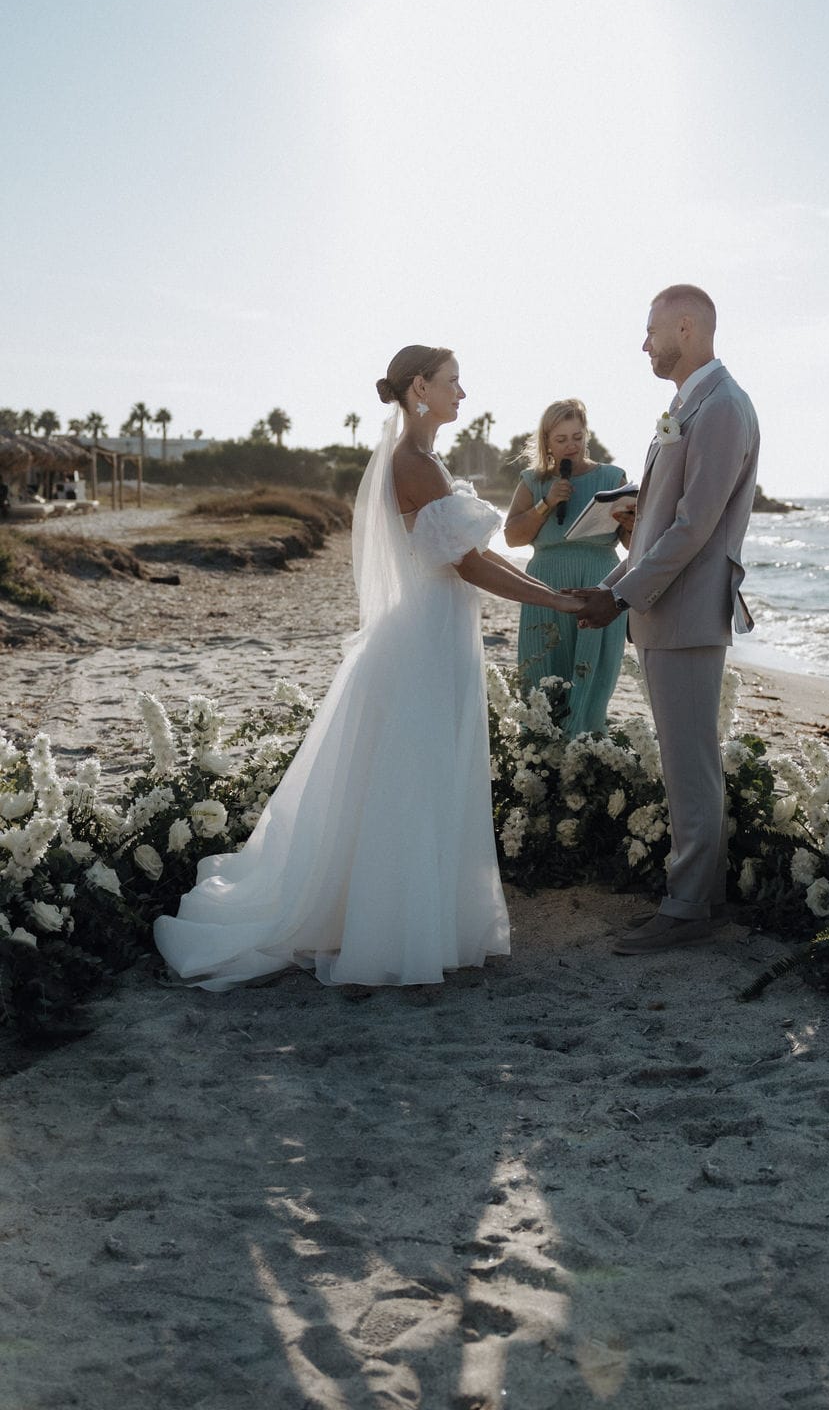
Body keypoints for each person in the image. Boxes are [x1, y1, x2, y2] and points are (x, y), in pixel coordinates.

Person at [154, 345, 585, 990]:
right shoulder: (413, 464)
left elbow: (472, 556)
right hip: (427, 635)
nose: (462, 394)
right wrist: (556, 598)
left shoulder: (427, 459)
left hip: (438, 630)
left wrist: (552, 596)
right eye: (453, 383)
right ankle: (398, 931)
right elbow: (468, 564)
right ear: (420, 388)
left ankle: (426, 920)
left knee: (426, 769)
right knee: (413, 774)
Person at [576, 285, 760, 955]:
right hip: (663, 607)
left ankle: (687, 910)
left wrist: (618, 595)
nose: (644, 343)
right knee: (685, 762)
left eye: (652, 331)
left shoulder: (722, 408)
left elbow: (694, 528)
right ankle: (694, 896)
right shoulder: (686, 406)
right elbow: (667, 519)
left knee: (690, 764)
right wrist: (628, 538)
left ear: (687, 327)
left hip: (684, 611)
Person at [503, 399, 628, 735]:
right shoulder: (533, 480)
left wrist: (629, 521)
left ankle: (585, 753)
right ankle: (540, 756)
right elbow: (513, 537)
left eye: (577, 436)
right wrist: (547, 504)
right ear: (546, 442)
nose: (571, 445)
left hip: (599, 583)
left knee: (593, 676)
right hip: (545, 584)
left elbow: (633, 545)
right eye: (561, 440)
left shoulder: (612, 476)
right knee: (541, 669)